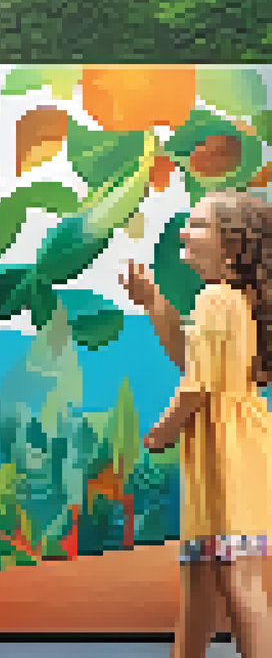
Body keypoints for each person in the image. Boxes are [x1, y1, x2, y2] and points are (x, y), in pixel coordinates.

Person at [124, 190, 272, 658]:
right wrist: (153, 302)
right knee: (204, 577)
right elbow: (191, 357)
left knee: (237, 581)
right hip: (228, 447)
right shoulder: (229, 300)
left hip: (228, 452)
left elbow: (196, 385)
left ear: (233, 248)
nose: (184, 231)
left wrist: (161, 432)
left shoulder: (215, 298)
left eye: (199, 224)